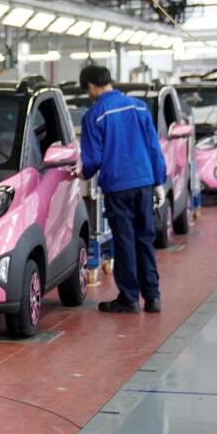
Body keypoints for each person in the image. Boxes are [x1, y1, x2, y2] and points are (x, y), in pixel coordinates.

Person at [73, 65, 166, 314]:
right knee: (145, 239)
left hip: (118, 186)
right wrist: (159, 181)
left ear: (91, 86)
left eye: (87, 90)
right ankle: (153, 297)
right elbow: (154, 147)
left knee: (124, 241)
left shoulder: (95, 115)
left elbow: (92, 159)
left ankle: (130, 298)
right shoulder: (139, 107)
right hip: (144, 181)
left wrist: (82, 174)